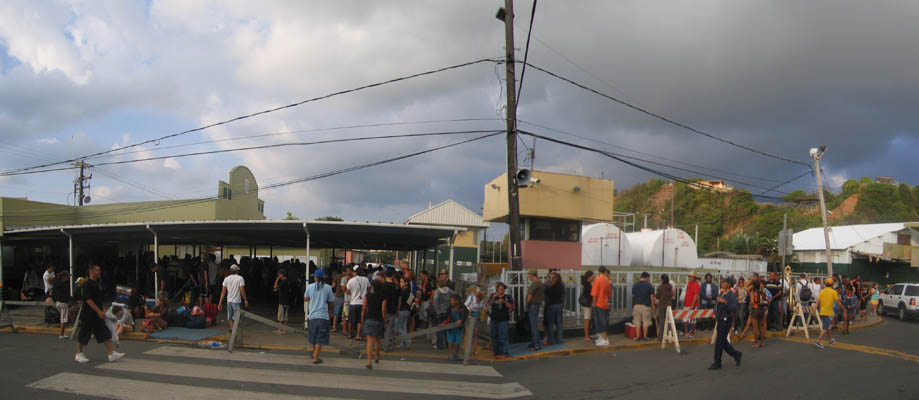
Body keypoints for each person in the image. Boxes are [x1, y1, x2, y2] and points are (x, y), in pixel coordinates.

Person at [74, 265, 125, 363]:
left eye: (99, 270)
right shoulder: (87, 284)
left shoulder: (96, 284)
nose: (99, 272)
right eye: (97, 270)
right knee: (84, 333)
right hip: (88, 314)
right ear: (91, 272)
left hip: (97, 315)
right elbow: (88, 300)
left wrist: (102, 308)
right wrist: (99, 311)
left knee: (103, 332)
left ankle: (111, 353)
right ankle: (79, 353)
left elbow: (98, 299)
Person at [709, 278, 742, 370]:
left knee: (720, 340)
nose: (722, 283)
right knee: (721, 340)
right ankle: (736, 354)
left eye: (724, 282)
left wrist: (725, 302)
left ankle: (717, 362)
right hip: (720, 318)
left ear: (728, 285)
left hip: (725, 319)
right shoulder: (722, 293)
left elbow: (734, 308)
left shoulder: (731, 295)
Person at [304, 269, 334, 364]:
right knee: (320, 338)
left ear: (316, 277)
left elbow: (305, 298)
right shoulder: (328, 288)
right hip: (323, 316)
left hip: (312, 315)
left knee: (313, 337)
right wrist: (331, 311)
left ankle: (314, 354)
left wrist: (312, 297)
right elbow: (331, 302)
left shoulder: (310, 287)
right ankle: (316, 357)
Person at [362, 280, 386, 369]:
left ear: (373, 287)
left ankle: (369, 362)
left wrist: (362, 319)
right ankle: (377, 357)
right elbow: (383, 311)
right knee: (377, 340)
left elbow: (364, 308)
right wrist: (384, 320)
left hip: (369, 320)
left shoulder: (368, 296)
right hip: (379, 320)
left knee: (369, 343)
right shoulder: (383, 297)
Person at [815, 278, 845, 349]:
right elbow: (838, 303)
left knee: (827, 326)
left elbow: (817, 303)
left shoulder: (822, 291)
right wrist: (844, 309)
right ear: (832, 285)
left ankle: (830, 340)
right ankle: (818, 341)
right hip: (828, 313)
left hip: (822, 312)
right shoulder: (833, 292)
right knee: (825, 327)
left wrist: (814, 311)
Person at [217, 264, 248, 332]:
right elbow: (242, 290)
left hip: (229, 301)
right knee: (236, 316)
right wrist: (245, 300)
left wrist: (220, 303)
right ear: (237, 271)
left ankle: (231, 329)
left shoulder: (226, 279)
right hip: (236, 301)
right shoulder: (240, 278)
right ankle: (234, 330)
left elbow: (223, 292)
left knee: (230, 316)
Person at [488, 282, 514, 360]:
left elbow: (511, 307)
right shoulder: (493, 295)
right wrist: (493, 297)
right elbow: (489, 304)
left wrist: (504, 302)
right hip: (494, 319)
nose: (501, 291)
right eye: (499, 289)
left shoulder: (508, 297)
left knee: (503, 336)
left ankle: (504, 352)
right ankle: (496, 352)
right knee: (494, 336)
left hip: (503, 319)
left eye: (502, 289)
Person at [442, 293, 469, 361]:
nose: (451, 302)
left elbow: (465, 314)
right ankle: (450, 354)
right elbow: (446, 315)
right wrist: (444, 322)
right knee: (450, 340)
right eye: (450, 301)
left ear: (457, 301)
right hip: (451, 327)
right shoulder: (450, 307)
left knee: (458, 341)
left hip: (459, 327)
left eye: (452, 300)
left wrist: (461, 320)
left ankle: (456, 353)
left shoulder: (462, 307)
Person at [346, 266, 370, 340]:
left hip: (353, 302)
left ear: (355, 272)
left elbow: (347, 291)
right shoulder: (366, 279)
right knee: (360, 320)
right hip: (363, 303)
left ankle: (349, 334)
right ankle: (358, 335)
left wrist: (353, 293)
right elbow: (369, 289)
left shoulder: (351, 280)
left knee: (351, 320)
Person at [431, 279, 455, 350]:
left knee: (440, 328)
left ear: (438, 285)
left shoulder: (437, 291)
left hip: (440, 312)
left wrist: (437, 310)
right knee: (447, 328)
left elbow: (435, 301)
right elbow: (455, 295)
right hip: (448, 311)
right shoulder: (449, 291)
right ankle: (448, 343)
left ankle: (439, 344)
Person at [591, 267, 612, 347]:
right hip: (605, 303)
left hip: (599, 303)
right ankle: (603, 338)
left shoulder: (597, 280)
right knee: (604, 321)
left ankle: (604, 339)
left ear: (599, 271)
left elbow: (595, 293)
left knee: (600, 321)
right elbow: (609, 293)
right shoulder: (607, 280)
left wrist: (593, 303)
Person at [381, 268, 401, 352]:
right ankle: (389, 345)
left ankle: (385, 346)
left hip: (383, 309)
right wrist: (398, 309)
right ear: (393, 276)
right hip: (393, 309)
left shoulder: (383, 286)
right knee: (390, 328)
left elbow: (382, 300)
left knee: (385, 329)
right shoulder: (397, 286)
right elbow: (399, 299)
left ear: (385, 275)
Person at [631, 272, 655, 341]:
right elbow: (652, 296)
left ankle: (638, 336)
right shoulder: (649, 286)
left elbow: (633, 295)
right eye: (648, 278)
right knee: (646, 321)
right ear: (646, 277)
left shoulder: (635, 285)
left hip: (636, 305)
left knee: (637, 321)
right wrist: (653, 305)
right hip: (646, 306)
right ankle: (645, 336)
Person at [525, 271, 545, 351]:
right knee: (533, 325)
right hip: (535, 305)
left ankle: (536, 344)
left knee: (533, 326)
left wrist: (527, 302)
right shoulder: (539, 282)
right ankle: (534, 342)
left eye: (529, 275)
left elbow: (530, 295)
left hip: (533, 305)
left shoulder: (535, 283)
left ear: (531, 275)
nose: (528, 276)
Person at [544, 271, 565, 345]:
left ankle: (551, 340)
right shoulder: (562, 285)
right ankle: (560, 339)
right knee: (559, 323)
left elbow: (546, 294)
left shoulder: (550, 285)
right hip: (559, 305)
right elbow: (563, 295)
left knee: (551, 323)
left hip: (551, 305)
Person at [395, 276, 415, 349]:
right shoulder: (409, 290)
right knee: (403, 327)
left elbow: (400, 301)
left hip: (403, 310)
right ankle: (403, 344)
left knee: (397, 327)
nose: (400, 283)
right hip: (408, 310)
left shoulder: (403, 291)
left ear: (406, 283)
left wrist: (398, 309)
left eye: (401, 282)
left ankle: (407, 340)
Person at [464, 288, 486, 354]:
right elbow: (465, 305)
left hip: (477, 317)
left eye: (480, 299)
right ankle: (466, 349)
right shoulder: (471, 298)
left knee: (475, 334)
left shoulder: (482, 300)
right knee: (468, 333)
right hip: (470, 316)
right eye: (478, 299)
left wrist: (486, 310)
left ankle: (475, 350)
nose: (478, 300)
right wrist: (468, 309)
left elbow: (483, 307)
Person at [51, 271, 72, 339]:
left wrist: (55, 301)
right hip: (63, 302)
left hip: (57, 302)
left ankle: (64, 332)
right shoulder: (63, 284)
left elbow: (53, 293)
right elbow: (66, 294)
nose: (68, 278)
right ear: (64, 277)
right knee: (64, 319)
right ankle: (61, 334)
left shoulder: (55, 283)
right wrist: (73, 300)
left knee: (63, 317)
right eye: (67, 277)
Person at [748, 280, 768, 348]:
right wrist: (766, 309)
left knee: (755, 328)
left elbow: (752, 302)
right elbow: (768, 301)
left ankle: (756, 343)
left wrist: (750, 311)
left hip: (755, 309)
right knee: (761, 327)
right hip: (761, 310)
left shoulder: (753, 293)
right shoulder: (762, 293)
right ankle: (762, 342)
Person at [682, 271, 701, 338]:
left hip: (692, 304)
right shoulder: (689, 283)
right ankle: (686, 332)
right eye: (689, 276)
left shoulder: (696, 285)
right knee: (685, 319)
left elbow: (696, 295)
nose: (689, 278)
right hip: (686, 303)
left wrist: (692, 304)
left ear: (694, 278)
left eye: (691, 276)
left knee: (693, 319)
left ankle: (692, 332)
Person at [655, 274, 674, 340]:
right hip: (669, 305)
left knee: (662, 321)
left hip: (662, 305)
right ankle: (669, 335)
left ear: (662, 280)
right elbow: (671, 294)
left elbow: (657, 296)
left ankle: (660, 337)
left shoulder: (661, 287)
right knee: (669, 321)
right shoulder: (670, 286)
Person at [273, 269, 291, 334]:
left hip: (282, 301)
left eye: (279, 274)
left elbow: (275, 288)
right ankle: (282, 329)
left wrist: (277, 280)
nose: (278, 275)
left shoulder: (283, 282)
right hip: (286, 301)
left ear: (282, 275)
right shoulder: (288, 281)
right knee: (285, 315)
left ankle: (281, 329)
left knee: (281, 316)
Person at [581, 271, 595, 342]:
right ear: (589, 277)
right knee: (587, 319)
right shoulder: (588, 285)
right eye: (593, 276)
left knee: (588, 319)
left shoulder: (587, 284)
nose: (594, 277)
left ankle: (587, 335)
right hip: (587, 305)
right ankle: (586, 336)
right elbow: (590, 295)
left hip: (586, 304)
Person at [332, 268, 346, 332]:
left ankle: (334, 326)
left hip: (338, 295)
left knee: (336, 312)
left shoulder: (337, 276)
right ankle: (344, 328)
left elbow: (333, 285)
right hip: (347, 297)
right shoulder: (350, 277)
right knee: (345, 313)